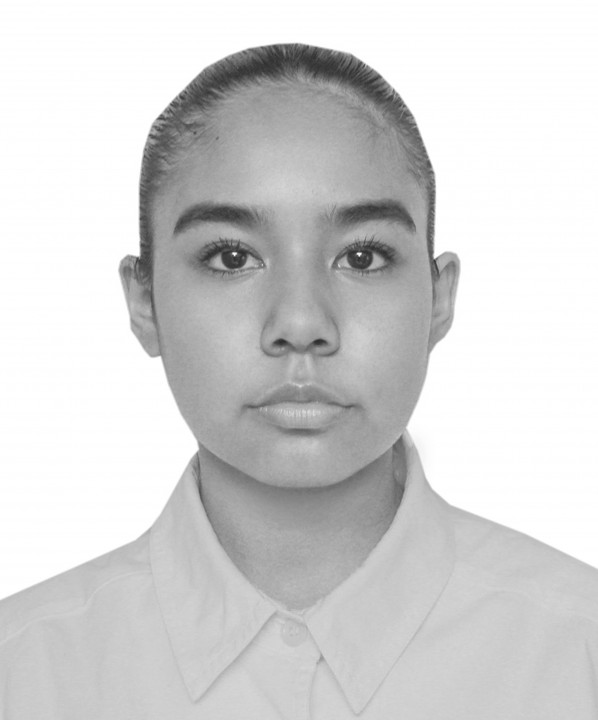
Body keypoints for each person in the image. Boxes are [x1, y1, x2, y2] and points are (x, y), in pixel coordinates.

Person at [0, 42, 596, 718]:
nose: (302, 323)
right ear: (144, 303)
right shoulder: (22, 676)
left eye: (362, 257)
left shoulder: (580, 655)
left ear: (439, 299)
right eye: (231, 257)